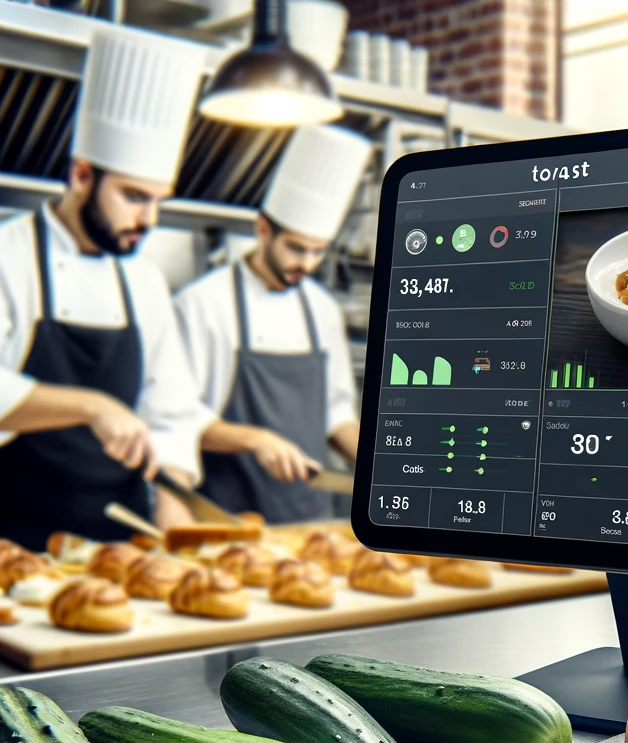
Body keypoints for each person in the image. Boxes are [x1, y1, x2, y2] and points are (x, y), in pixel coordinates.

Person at [0, 24, 207, 548]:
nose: (149, 218)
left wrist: (174, 509)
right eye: (135, 196)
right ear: (82, 174)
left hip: (121, 549)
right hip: (15, 545)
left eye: (160, 199)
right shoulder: (10, 255)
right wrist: (94, 405)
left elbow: (172, 413)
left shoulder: (144, 280)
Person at [175, 124, 372, 522]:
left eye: (319, 252)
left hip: (312, 517)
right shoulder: (203, 304)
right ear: (263, 229)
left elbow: (335, 412)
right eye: (296, 248)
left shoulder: (321, 308)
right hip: (230, 520)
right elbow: (177, 418)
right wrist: (255, 439)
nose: (307, 264)